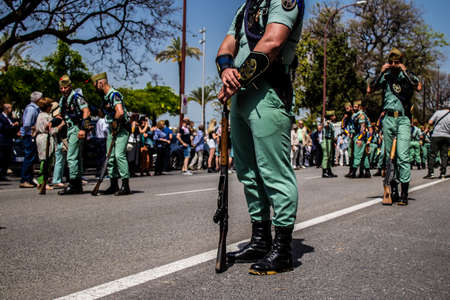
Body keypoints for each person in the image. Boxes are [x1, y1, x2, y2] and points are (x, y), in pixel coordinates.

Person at [216, 0, 304, 275]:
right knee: (248, 172)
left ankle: (283, 248)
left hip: (269, 92)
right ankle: (260, 238)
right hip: (241, 96)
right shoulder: (245, 6)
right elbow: (226, 45)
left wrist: (237, 77)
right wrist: (226, 69)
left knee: (274, 173)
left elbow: (273, 41)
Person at [368, 48, 422, 206]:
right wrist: (381, 72)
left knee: (402, 156)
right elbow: (370, 89)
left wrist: (405, 71)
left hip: (403, 119)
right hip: (388, 119)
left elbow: (418, 86)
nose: (393, 65)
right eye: (391, 62)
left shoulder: (406, 75)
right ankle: (394, 191)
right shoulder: (386, 76)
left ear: (401, 62)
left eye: (396, 62)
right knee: (387, 157)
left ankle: (404, 193)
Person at [91, 72, 131, 195]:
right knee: (111, 159)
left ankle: (125, 186)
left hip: (121, 129)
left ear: (101, 83)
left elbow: (120, 112)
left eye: (95, 85)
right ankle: (114, 185)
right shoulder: (106, 97)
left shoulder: (114, 95)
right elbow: (104, 113)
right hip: (112, 130)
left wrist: (114, 123)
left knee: (119, 155)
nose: (95, 88)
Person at [57, 75, 91, 195]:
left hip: (77, 128)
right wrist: (53, 123)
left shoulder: (77, 97)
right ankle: (76, 183)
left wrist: (83, 129)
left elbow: (86, 111)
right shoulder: (63, 100)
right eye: (61, 88)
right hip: (69, 128)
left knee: (71, 157)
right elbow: (62, 116)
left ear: (70, 86)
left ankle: (74, 184)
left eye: (65, 88)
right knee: (75, 157)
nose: (63, 90)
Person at [19, 91, 42, 188]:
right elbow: (27, 124)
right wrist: (36, 127)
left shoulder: (34, 108)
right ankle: (24, 179)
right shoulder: (32, 109)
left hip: (29, 135)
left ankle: (29, 179)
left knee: (31, 158)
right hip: (29, 136)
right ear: (37, 100)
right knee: (29, 158)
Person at [35, 98, 56, 191]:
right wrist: (60, 125)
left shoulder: (41, 115)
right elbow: (50, 129)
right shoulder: (45, 117)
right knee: (45, 160)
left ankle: (43, 181)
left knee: (46, 160)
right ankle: (42, 181)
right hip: (45, 138)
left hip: (42, 137)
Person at [423, 106, 450, 179]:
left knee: (432, 155)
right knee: (444, 155)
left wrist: (427, 129)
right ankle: (443, 173)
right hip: (447, 136)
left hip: (436, 136)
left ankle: (431, 173)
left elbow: (430, 122)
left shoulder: (438, 112)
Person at [0, 103, 20, 181]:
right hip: (3, 140)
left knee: (6, 158)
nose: (11, 110)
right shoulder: (1, 117)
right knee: (2, 157)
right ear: (6, 109)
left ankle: (3, 174)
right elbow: (2, 128)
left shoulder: (9, 118)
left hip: (8, 140)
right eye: (10, 108)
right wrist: (12, 125)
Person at [322, 111, 338, 178]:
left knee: (330, 156)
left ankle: (329, 171)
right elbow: (325, 125)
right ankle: (324, 172)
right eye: (333, 115)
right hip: (326, 140)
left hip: (330, 140)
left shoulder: (331, 123)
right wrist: (327, 122)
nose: (335, 117)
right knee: (326, 156)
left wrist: (334, 141)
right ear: (330, 116)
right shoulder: (327, 122)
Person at [341, 102, 355, 177]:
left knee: (355, 154)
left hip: (356, 136)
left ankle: (364, 171)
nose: (346, 110)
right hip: (350, 136)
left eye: (347, 108)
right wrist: (348, 133)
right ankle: (351, 171)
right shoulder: (347, 116)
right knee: (350, 154)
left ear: (351, 107)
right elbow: (342, 126)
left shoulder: (354, 115)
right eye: (345, 109)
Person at [95, 108, 109, 178]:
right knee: (103, 157)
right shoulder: (104, 121)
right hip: (103, 139)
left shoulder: (98, 121)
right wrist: (108, 135)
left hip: (97, 139)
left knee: (99, 157)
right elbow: (105, 129)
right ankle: (103, 173)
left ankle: (98, 172)